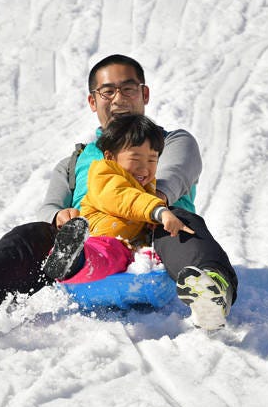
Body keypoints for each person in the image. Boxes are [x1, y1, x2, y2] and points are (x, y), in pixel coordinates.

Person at [0, 54, 238, 330]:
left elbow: (172, 178)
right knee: (31, 234)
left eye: (128, 89)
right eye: (107, 92)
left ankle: (210, 287)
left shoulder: (173, 141)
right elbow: (50, 205)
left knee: (179, 219)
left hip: (156, 248)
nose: (119, 99)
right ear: (93, 101)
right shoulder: (76, 160)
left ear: (145, 94)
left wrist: (151, 208)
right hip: (91, 250)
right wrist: (59, 217)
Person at [43, 114, 194, 284]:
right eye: (135, 159)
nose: (144, 168)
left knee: (129, 253)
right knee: (107, 254)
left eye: (152, 160)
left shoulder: (146, 184)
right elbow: (126, 198)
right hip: (99, 237)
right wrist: (158, 211)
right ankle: (73, 260)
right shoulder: (105, 176)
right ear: (109, 157)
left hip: (124, 242)